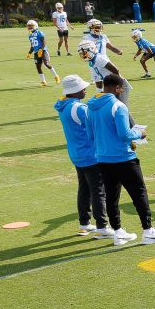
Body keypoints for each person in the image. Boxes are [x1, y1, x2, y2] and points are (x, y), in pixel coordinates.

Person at [86, 74, 155, 245]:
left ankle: (118, 232)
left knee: (111, 196)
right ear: (117, 88)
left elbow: (90, 135)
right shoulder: (118, 106)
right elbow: (125, 134)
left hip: (103, 159)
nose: (122, 91)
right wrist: (139, 133)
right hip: (124, 159)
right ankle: (148, 231)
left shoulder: (90, 107)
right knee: (139, 193)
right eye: (121, 88)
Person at [55, 74, 108, 238]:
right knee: (98, 191)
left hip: (77, 153)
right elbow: (96, 125)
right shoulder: (79, 108)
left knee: (84, 188)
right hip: (90, 154)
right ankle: (102, 227)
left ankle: (84, 223)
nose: (85, 90)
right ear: (75, 91)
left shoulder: (64, 105)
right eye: (82, 88)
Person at [25, 20, 60, 87]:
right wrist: (29, 53)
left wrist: (41, 49)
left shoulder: (39, 33)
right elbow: (32, 45)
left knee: (46, 64)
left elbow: (44, 42)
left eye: (31, 26)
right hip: (36, 53)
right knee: (38, 67)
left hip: (43, 51)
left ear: (35, 26)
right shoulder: (30, 36)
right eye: (28, 26)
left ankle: (56, 76)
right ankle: (43, 81)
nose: (29, 27)